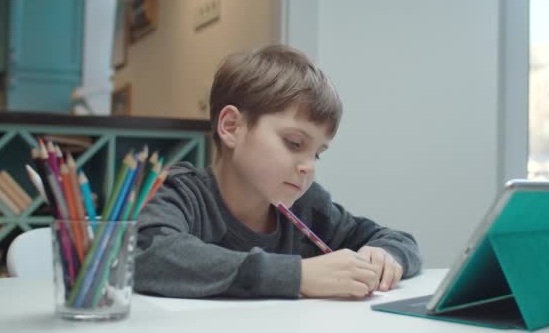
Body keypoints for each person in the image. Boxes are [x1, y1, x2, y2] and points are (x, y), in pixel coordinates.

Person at [134, 44, 421, 299]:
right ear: (232, 126)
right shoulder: (181, 193)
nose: (308, 166)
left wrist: (385, 255)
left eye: (318, 154)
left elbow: (399, 240)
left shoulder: (307, 207)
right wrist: (299, 275)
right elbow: (150, 256)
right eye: (294, 143)